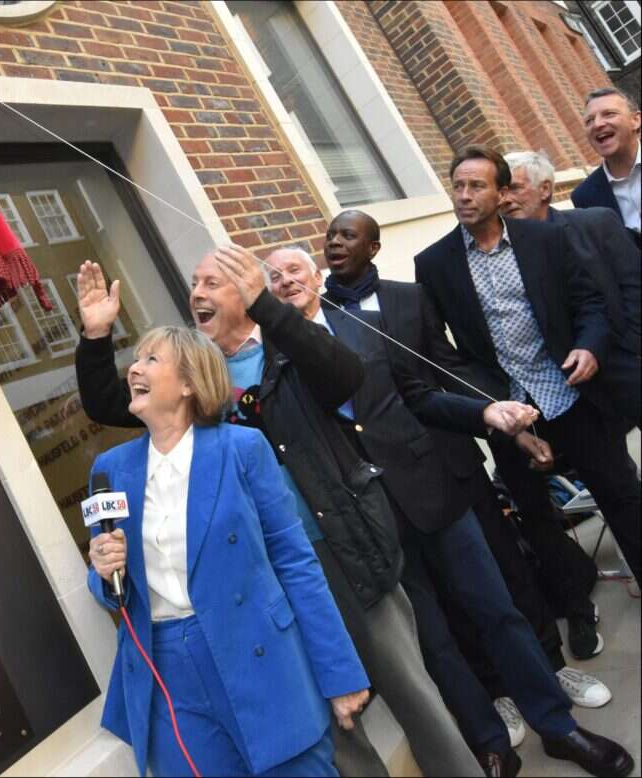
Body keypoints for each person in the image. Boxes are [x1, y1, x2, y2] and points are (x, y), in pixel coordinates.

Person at [76, 257, 485, 777]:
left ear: (248, 293)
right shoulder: (186, 376)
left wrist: (270, 308)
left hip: (334, 547)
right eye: (193, 283)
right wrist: (95, 338)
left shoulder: (287, 346)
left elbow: (345, 373)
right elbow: (114, 400)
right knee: (329, 725)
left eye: (212, 283)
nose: (196, 292)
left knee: (408, 687)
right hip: (253, 575)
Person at [261, 213, 616, 776]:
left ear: (315, 275)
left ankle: (558, 725)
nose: (283, 281)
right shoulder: (272, 363)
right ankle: (489, 744)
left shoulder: (360, 326)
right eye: (271, 276)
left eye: (293, 270)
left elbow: (421, 394)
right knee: (435, 642)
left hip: (433, 492)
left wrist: (488, 413)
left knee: (497, 611)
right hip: (370, 523)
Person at [86, 325, 370, 777]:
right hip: (167, 675)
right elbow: (110, 586)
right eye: (135, 360)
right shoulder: (110, 469)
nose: (134, 368)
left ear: (189, 384)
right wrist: (102, 570)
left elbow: (295, 562)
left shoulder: (242, 449)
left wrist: (340, 673)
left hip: (257, 654)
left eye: (151, 360)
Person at [414, 146, 641, 591]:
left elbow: (590, 303)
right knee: (537, 518)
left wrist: (589, 347)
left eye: (476, 186)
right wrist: (492, 410)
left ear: (500, 194)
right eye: (457, 186)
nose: (463, 195)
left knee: (623, 497)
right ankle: (578, 604)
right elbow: (443, 352)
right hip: (508, 414)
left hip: (573, 395)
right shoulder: (434, 264)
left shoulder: (545, 241)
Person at [504, 149, 639, 429]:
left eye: (515, 188)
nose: (505, 199)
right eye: (501, 191)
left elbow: (634, 286)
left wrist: (633, 349)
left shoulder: (596, 223)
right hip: (573, 388)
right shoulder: (506, 254)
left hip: (627, 364)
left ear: (545, 189)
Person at [572, 87, 641, 240]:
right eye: (589, 120)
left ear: (636, 120)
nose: (597, 124)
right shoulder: (584, 196)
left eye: (609, 114)